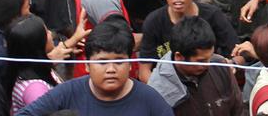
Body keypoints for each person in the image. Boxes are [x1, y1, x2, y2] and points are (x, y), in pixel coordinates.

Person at [17, 20, 173, 115]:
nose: (111, 69)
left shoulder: (151, 100)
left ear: (130, 64)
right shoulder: (67, 93)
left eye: (119, 61)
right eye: (102, 62)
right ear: (87, 65)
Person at [147, 16, 244, 116]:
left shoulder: (220, 65)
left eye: (210, 56)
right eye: (201, 61)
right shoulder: (159, 92)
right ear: (179, 57)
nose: (208, 64)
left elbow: (238, 110)